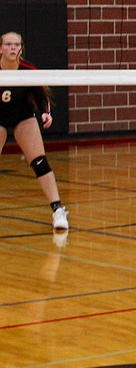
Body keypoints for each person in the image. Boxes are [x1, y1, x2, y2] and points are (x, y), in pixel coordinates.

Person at [0, 31, 68, 230]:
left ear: (21, 48)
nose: (13, 48)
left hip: (23, 117)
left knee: (40, 162)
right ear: (1, 48)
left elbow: (41, 97)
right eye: (8, 44)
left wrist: (46, 113)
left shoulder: (29, 70)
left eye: (16, 44)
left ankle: (57, 211)